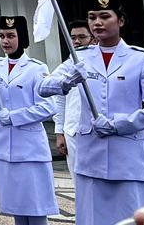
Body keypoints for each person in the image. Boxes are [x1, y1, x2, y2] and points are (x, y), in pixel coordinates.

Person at [38, 0, 144, 225]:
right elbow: (43, 87)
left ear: (120, 21)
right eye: (92, 17)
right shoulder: (80, 57)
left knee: (131, 218)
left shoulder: (141, 59)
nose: (97, 22)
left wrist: (119, 124)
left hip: (128, 159)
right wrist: (66, 81)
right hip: (91, 158)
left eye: (104, 16)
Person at [0, 15, 57, 225]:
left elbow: (49, 107)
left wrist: (14, 117)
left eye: (11, 36)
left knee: (36, 206)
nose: (5, 41)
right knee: (16, 207)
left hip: (30, 150)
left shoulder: (36, 68)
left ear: (22, 37)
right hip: (4, 148)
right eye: (2, 36)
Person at [52, 20, 94, 180]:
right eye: (73, 37)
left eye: (82, 37)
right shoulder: (65, 67)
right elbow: (59, 99)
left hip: (98, 132)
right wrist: (59, 132)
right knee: (79, 182)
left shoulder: (101, 63)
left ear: (93, 38)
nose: (77, 41)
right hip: (73, 132)